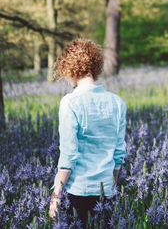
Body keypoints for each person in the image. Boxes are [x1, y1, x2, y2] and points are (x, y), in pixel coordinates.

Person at [49, 37, 127, 228]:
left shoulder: (70, 102)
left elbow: (68, 157)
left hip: (78, 192)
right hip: (106, 193)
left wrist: (56, 196)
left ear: (70, 68)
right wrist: (110, 186)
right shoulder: (117, 103)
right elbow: (118, 155)